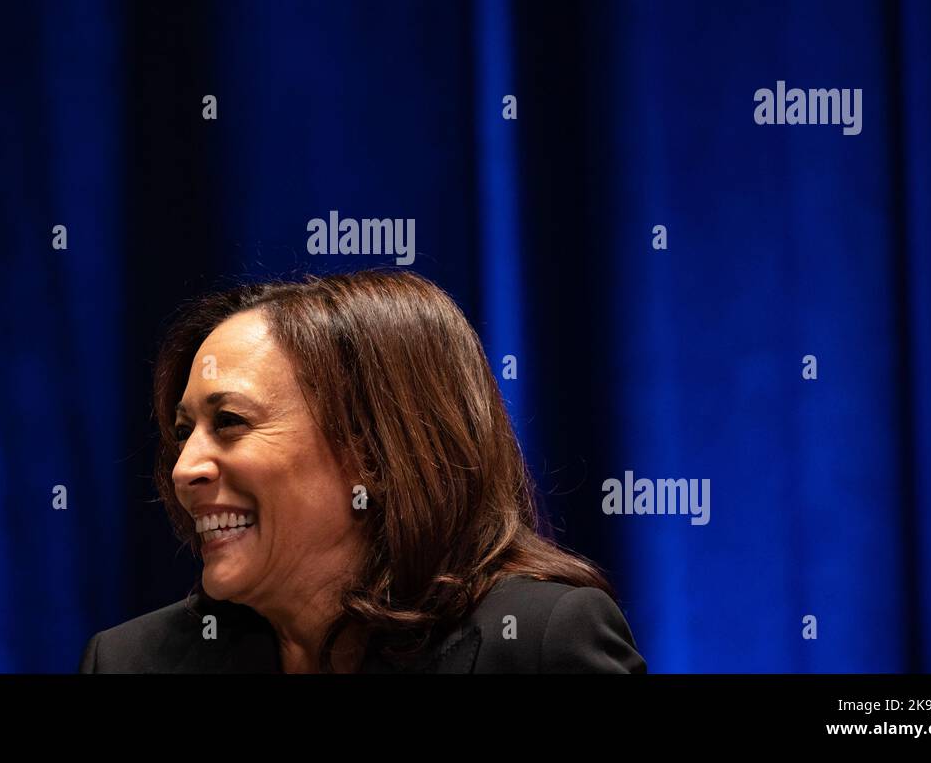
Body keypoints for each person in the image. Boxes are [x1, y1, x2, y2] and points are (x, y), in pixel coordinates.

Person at [80, 270, 646, 673]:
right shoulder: (130, 661)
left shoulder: (539, 645)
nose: (185, 470)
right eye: (183, 432)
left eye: (229, 421)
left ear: (374, 451)